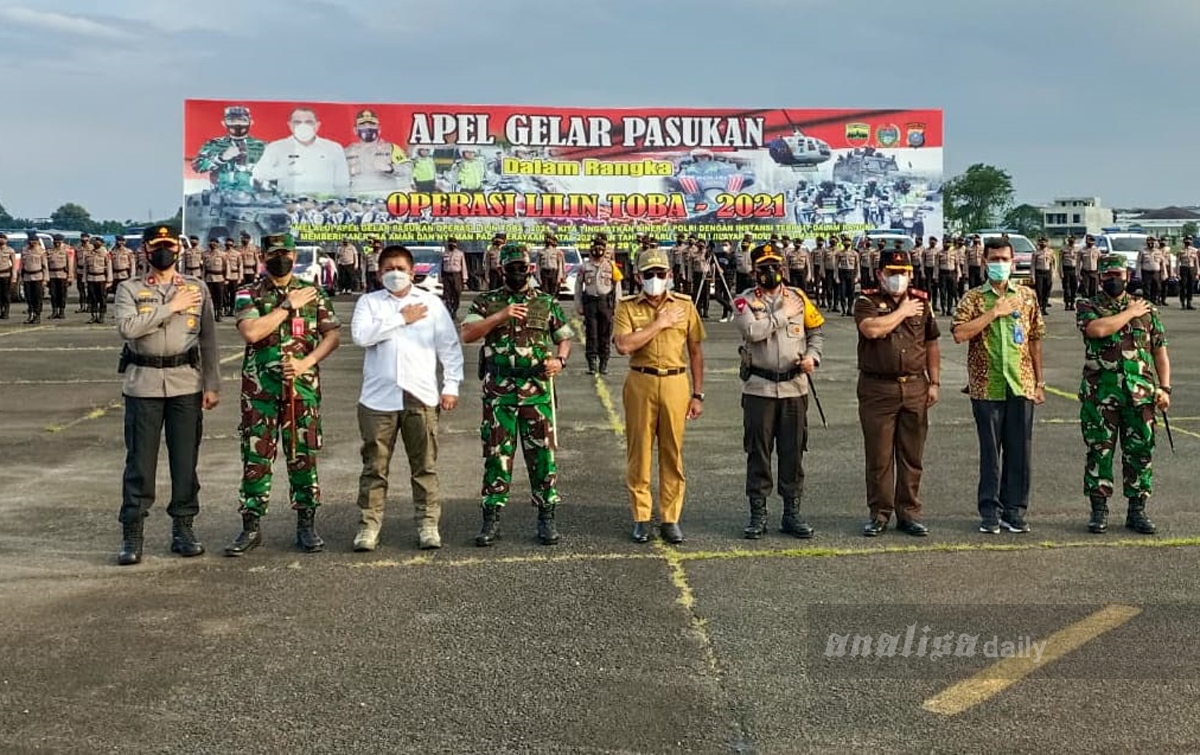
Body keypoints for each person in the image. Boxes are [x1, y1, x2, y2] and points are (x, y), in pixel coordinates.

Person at [224, 233, 341, 556]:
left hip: (302, 390)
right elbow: (251, 332)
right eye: (274, 253)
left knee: (303, 455)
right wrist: (287, 307)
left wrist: (307, 362)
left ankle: (306, 525)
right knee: (256, 458)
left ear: (294, 254)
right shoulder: (248, 292)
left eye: (286, 252)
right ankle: (251, 526)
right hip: (260, 392)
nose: (281, 258)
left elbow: (332, 335)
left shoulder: (313, 293)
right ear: (263, 257)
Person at [113, 224, 220, 565]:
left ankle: (184, 528)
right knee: (140, 463)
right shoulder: (128, 289)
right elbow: (128, 328)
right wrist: (171, 307)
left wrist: (212, 384)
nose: (164, 251)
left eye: (169, 245)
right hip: (143, 383)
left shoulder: (197, 287)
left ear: (178, 249)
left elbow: (209, 340)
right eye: (157, 245)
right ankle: (133, 533)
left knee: (185, 462)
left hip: (185, 385)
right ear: (145, 250)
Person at [350, 245, 464, 551]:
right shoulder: (369, 303)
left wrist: (451, 385)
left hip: (421, 396)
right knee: (374, 467)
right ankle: (369, 526)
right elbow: (361, 336)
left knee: (424, 467)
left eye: (400, 268)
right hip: (378, 400)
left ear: (413, 272)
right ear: (378, 273)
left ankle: (428, 524)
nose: (395, 274)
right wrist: (401, 318)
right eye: (388, 269)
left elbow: (449, 348)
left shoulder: (430, 303)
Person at [460, 242, 573, 547]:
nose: (517, 273)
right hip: (499, 395)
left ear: (530, 268)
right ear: (501, 270)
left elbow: (564, 338)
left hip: (536, 393)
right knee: (497, 457)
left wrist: (559, 360)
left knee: (542, 457)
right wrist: (501, 316)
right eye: (511, 268)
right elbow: (468, 334)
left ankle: (547, 516)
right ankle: (491, 519)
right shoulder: (487, 302)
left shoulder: (546, 301)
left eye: (522, 267)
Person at [951, 237, 1046, 535]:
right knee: (991, 454)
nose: (1000, 265)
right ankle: (990, 510)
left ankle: (1015, 510)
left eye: (1005, 260)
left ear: (1014, 262)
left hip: (1021, 384)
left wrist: (1039, 382)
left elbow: (1034, 339)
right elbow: (959, 333)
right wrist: (994, 313)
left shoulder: (1028, 296)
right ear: (984, 262)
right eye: (994, 260)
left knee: (1020, 453)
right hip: (986, 386)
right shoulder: (974, 298)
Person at [613, 246, 706, 544]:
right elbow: (624, 345)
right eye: (649, 274)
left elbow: (695, 350)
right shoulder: (627, 306)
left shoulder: (685, 305)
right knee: (639, 452)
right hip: (641, 381)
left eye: (660, 273)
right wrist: (659, 324)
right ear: (639, 276)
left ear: (669, 274)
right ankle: (641, 517)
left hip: (676, 382)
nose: (655, 279)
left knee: (672, 453)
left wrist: (698, 394)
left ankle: (670, 517)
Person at [733, 243, 825, 539]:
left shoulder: (799, 298)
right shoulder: (744, 302)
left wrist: (813, 356)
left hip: (794, 388)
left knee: (792, 452)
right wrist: (783, 315)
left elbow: (816, 332)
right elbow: (753, 332)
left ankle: (791, 513)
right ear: (754, 271)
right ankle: (758, 514)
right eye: (763, 268)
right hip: (759, 389)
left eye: (774, 266)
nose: (770, 272)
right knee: (758, 453)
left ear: (783, 269)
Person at [1076, 254, 1171, 535]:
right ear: (1099, 278)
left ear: (1127, 275)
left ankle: (1137, 510)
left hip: (1140, 395)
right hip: (1100, 395)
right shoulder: (1088, 306)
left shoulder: (1149, 311)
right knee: (1099, 452)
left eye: (1117, 274)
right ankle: (1099, 510)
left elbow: (1160, 352)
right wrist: (1130, 312)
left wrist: (1164, 388)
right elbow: (1097, 329)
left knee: (1140, 453)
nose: (1113, 280)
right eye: (1107, 276)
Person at [854, 250, 940, 537]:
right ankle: (879, 513)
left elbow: (931, 343)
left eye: (903, 272)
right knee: (879, 457)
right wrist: (901, 312)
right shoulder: (866, 301)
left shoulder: (923, 303)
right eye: (892, 272)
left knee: (911, 455)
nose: (898, 278)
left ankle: (909, 513)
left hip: (915, 385)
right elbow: (871, 330)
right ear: (880, 274)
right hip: (878, 388)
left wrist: (935, 381)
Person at [251, 107, 350, 197]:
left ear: (317, 125)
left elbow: (343, 183)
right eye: (297, 122)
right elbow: (258, 173)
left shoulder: (334, 148)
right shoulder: (277, 147)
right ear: (290, 125)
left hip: (323, 205)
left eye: (308, 122)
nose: (303, 126)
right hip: (290, 204)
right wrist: (287, 170)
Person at [192, 105, 266, 193]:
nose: (238, 125)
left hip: (253, 198)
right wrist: (221, 158)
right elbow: (197, 167)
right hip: (220, 197)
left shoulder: (262, 146)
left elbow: (277, 172)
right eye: (232, 121)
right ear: (224, 123)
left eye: (242, 121)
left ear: (251, 122)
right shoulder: (214, 144)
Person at [575, 236, 621, 375]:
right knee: (591, 334)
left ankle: (604, 363)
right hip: (590, 303)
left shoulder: (611, 266)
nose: (598, 250)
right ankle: (592, 363)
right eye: (596, 247)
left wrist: (618, 305)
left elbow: (617, 286)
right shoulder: (585, 267)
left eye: (601, 247)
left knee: (605, 333)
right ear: (591, 249)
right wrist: (578, 304)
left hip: (605, 303)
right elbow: (578, 286)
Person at [344, 108, 410, 195]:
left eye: (372, 125)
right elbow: (334, 176)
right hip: (358, 199)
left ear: (379, 129)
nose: (367, 128)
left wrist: (391, 168)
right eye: (362, 125)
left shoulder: (391, 148)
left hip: (385, 198)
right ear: (355, 130)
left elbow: (409, 170)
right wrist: (348, 172)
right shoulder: (346, 151)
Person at [83, 236, 113, 324]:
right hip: (91, 278)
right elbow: (85, 268)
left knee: (102, 298)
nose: (96, 244)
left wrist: (109, 280)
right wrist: (84, 280)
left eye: (98, 242)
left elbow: (109, 268)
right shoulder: (89, 254)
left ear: (102, 243)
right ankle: (93, 316)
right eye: (94, 243)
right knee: (92, 298)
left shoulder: (105, 253)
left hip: (101, 278)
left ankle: (101, 316)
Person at [20, 234, 47, 324]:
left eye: (34, 241)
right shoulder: (24, 250)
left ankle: (37, 315)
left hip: (38, 276)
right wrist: (21, 277)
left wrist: (45, 279)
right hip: (27, 277)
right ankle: (30, 315)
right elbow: (22, 265)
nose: (32, 242)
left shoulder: (41, 251)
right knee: (29, 297)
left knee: (37, 297)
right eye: (30, 240)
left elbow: (45, 266)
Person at [45, 234, 73, 320]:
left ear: (62, 242)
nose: (57, 243)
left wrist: (70, 276)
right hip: (52, 275)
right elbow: (46, 264)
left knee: (62, 294)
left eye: (59, 242)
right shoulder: (49, 251)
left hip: (62, 275)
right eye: (55, 242)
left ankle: (61, 311)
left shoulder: (66, 251)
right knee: (53, 295)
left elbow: (70, 264)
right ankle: (54, 311)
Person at [440, 236, 468, 316]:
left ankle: (454, 309)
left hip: (457, 276)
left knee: (456, 294)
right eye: (450, 243)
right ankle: (449, 309)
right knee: (447, 294)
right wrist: (440, 277)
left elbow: (463, 266)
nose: (451, 245)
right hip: (447, 275)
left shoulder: (460, 253)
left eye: (453, 243)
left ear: (456, 244)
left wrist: (464, 278)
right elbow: (441, 266)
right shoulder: (444, 254)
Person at [1032, 237, 1056, 315]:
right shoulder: (1036, 253)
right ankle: (1039, 307)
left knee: (1047, 291)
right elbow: (1032, 265)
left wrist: (1053, 273)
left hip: (1047, 272)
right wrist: (1032, 276)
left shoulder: (1051, 252)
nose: (1043, 244)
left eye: (1044, 242)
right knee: (1039, 291)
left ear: (1047, 243)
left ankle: (1044, 308)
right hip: (1039, 273)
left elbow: (1053, 263)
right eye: (1041, 242)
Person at [1178, 235, 1198, 309]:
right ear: (1184, 241)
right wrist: (1177, 273)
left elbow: (1196, 262)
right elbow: (1178, 263)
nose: (1188, 241)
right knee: (1183, 286)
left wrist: (1198, 272)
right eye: (1186, 240)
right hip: (1183, 268)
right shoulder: (1181, 251)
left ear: (1191, 241)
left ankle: (1189, 303)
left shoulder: (1194, 250)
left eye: (1189, 240)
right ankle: (1183, 303)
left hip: (1191, 268)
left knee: (1191, 286)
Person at [1060, 236, 1079, 310]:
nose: (1072, 241)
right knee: (1066, 288)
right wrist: (1061, 272)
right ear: (1068, 240)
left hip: (1074, 269)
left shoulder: (1077, 249)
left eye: (1073, 239)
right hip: (1066, 269)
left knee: (1074, 288)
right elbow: (1060, 262)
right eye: (1070, 239)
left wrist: (1079, 272)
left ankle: (1072, 303)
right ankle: (1067, 303)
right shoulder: (1063, 249)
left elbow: (1079, 261)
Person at [0, 233, 15, 320]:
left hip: (6, 275)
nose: (1, 240)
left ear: (6, 240)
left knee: (5, 294)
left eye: (3, 238)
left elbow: (13, 265)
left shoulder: (10, 250)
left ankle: (6, 312)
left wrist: (14, 276)